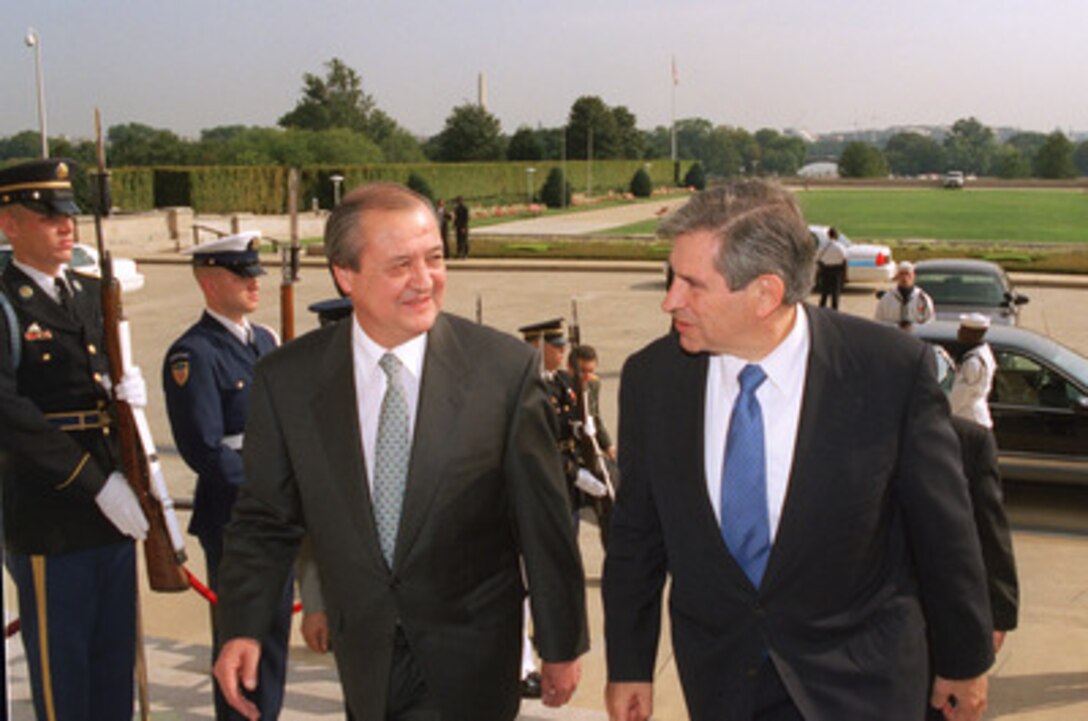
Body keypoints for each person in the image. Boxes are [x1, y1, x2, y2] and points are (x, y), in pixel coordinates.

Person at [603, 180, 994, 721]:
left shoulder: (889, 371)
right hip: (723, 683)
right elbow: (636, 538)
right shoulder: (652, 379)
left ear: (765, 293)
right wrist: (628, 664)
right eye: (673, 279)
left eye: (692, 285)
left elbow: (944, 532)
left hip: (861, 684)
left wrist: (964, 659)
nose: (671, 300)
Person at [212, 182, 588, 721]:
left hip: (473, 654)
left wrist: (560, 642)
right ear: (346, 275)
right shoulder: (287, 380)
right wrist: (243, 628)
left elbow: (543, 521)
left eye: (434, 259)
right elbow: (264, 519)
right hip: (365, 652)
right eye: (399, 265)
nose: (424, 281)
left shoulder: (502, 371)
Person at [0, 159, 149, 721]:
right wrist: (94, 483)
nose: (66, 227)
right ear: (9, 224)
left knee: (114, 665)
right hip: (53, 514)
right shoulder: (6, 303)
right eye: (47, 216)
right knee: (65, 674)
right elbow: (9, 412)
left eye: (68, 215)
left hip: (114, 504)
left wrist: (123, 391)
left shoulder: (90, 293)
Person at [162, 231, 291, 721]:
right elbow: (204, 450)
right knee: (242, 639)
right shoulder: (193, 353)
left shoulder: (263, 341)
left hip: (274, 512)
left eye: (255, 274)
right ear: (210, 281)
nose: (254, 285)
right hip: (237, 517)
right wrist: (268, 487)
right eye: (242, 275)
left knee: (274, 636)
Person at [949, 313, 996, 428]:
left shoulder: (974, 362)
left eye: (963, 330)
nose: (958, 332)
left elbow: (961, 396)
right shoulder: (981, 352)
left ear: (972, 334)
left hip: (970, 420)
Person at [874, 260, 935, 329]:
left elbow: (930, 322)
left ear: (913, 276)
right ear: (897, 276)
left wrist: (913, 327)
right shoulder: (886, 299)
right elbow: (878, 322)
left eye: (907, 274)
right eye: (901, 274)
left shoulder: (923, 299)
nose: (904, 277)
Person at [816, 226, 847, 309]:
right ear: (836, 235)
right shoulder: (840, 247)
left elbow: (817, 258)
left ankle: (822, 310)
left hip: (825, 270)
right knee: (835, 294)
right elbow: (844, 259)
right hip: (836, 271)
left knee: (824, 293)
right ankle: (834, 311)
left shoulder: (823, 247)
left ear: (828, 235)